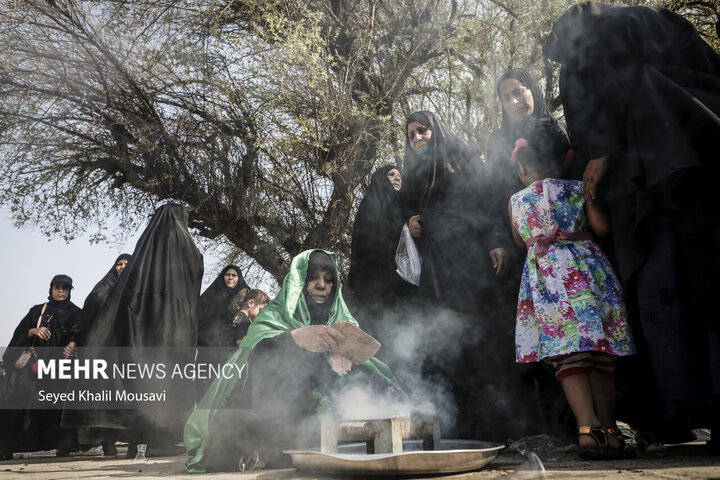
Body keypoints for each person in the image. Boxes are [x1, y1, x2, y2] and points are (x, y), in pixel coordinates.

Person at [543, 1, 720, 446]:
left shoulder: (613, 32)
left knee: (676, 293)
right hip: (667, 179)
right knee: (683, 292)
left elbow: (608, 100)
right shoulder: (642, 23)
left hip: (661, 184)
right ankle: (677, 413)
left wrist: (602, 151)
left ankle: (680, 412)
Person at [184, 250, 397, 473]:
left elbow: (367, 365)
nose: (321, 285)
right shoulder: (273, 317)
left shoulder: (343, 321)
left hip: (331, 416)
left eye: (329, 280)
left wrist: (353, 387)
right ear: (298, 282)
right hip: (277, 415)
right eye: (313, 278)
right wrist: (294, 339)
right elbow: (252, 364)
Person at [509, 123, 636, 459]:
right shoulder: (579, 187)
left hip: (548, 283)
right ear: (565, 158)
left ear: (523, 165)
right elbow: (601, 228)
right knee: (601, 353)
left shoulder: (517, 200)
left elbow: (521, 240)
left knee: (568, 356)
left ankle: (586, 428)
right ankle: (610, 431)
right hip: (589, 276)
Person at [68, 203, 204, 457]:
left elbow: (131, 297)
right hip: (178, 332)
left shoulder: (145, 252)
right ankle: (160, 440)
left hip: (145, 332)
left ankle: (141, 442)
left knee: (144, 387)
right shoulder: (189, 250)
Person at [0, 275, 83, 459]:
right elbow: (20, 332)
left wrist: (72, 343)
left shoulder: (76, 312)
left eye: (65, 288)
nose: (61, 291)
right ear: (51, 289)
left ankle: (63, 447)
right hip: (33, 367)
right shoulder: (37, 310)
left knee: (58, 406)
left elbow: (80, 332)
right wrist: (33, 331)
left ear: (69, 291)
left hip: (60, 368)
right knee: (18, 403)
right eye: (57, 287)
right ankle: (7, 448)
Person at [71, 253, 131, 456]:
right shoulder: (103, 289)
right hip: (104, 350)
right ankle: (107, 441)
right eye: (119, 264)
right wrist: (75, 339)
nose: (122, 267)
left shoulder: (137, 288)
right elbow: (87, 313)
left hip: (129, 350)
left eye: (127, 264)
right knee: (107, 397)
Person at [345, 165, 412, 340]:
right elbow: (369, 244)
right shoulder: (371, 204)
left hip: (399, 286)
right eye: (391, 174)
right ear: (381, 179)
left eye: (399, 175)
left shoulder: (402, 207)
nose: (397, 178)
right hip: (374, 287)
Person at [195, 265, 247, 400]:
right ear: (222, 276)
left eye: (234, 275)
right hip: (208, 348)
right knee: (205, 385)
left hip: (231, 348)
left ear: (239, 278)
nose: (230, 277)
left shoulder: (244, 297)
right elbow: (197, 315)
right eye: (227, 274)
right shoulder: (212, 294)